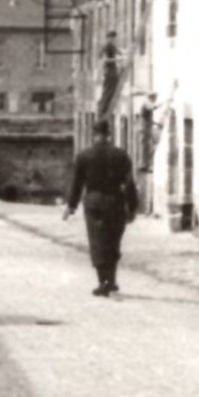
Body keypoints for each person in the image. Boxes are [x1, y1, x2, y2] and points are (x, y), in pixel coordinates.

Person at [63, 120, 139, 297]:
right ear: (109, 134)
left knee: (97, 241)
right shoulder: (121, 155)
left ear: (93, 134)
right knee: (113, 241)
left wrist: (71, 206)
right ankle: (111, 281)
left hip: (94, 202)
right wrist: (133, 208)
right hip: (115, 202)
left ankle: (102, 282)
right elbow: (129, 184)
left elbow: (77, 184)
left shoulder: (84, 156)